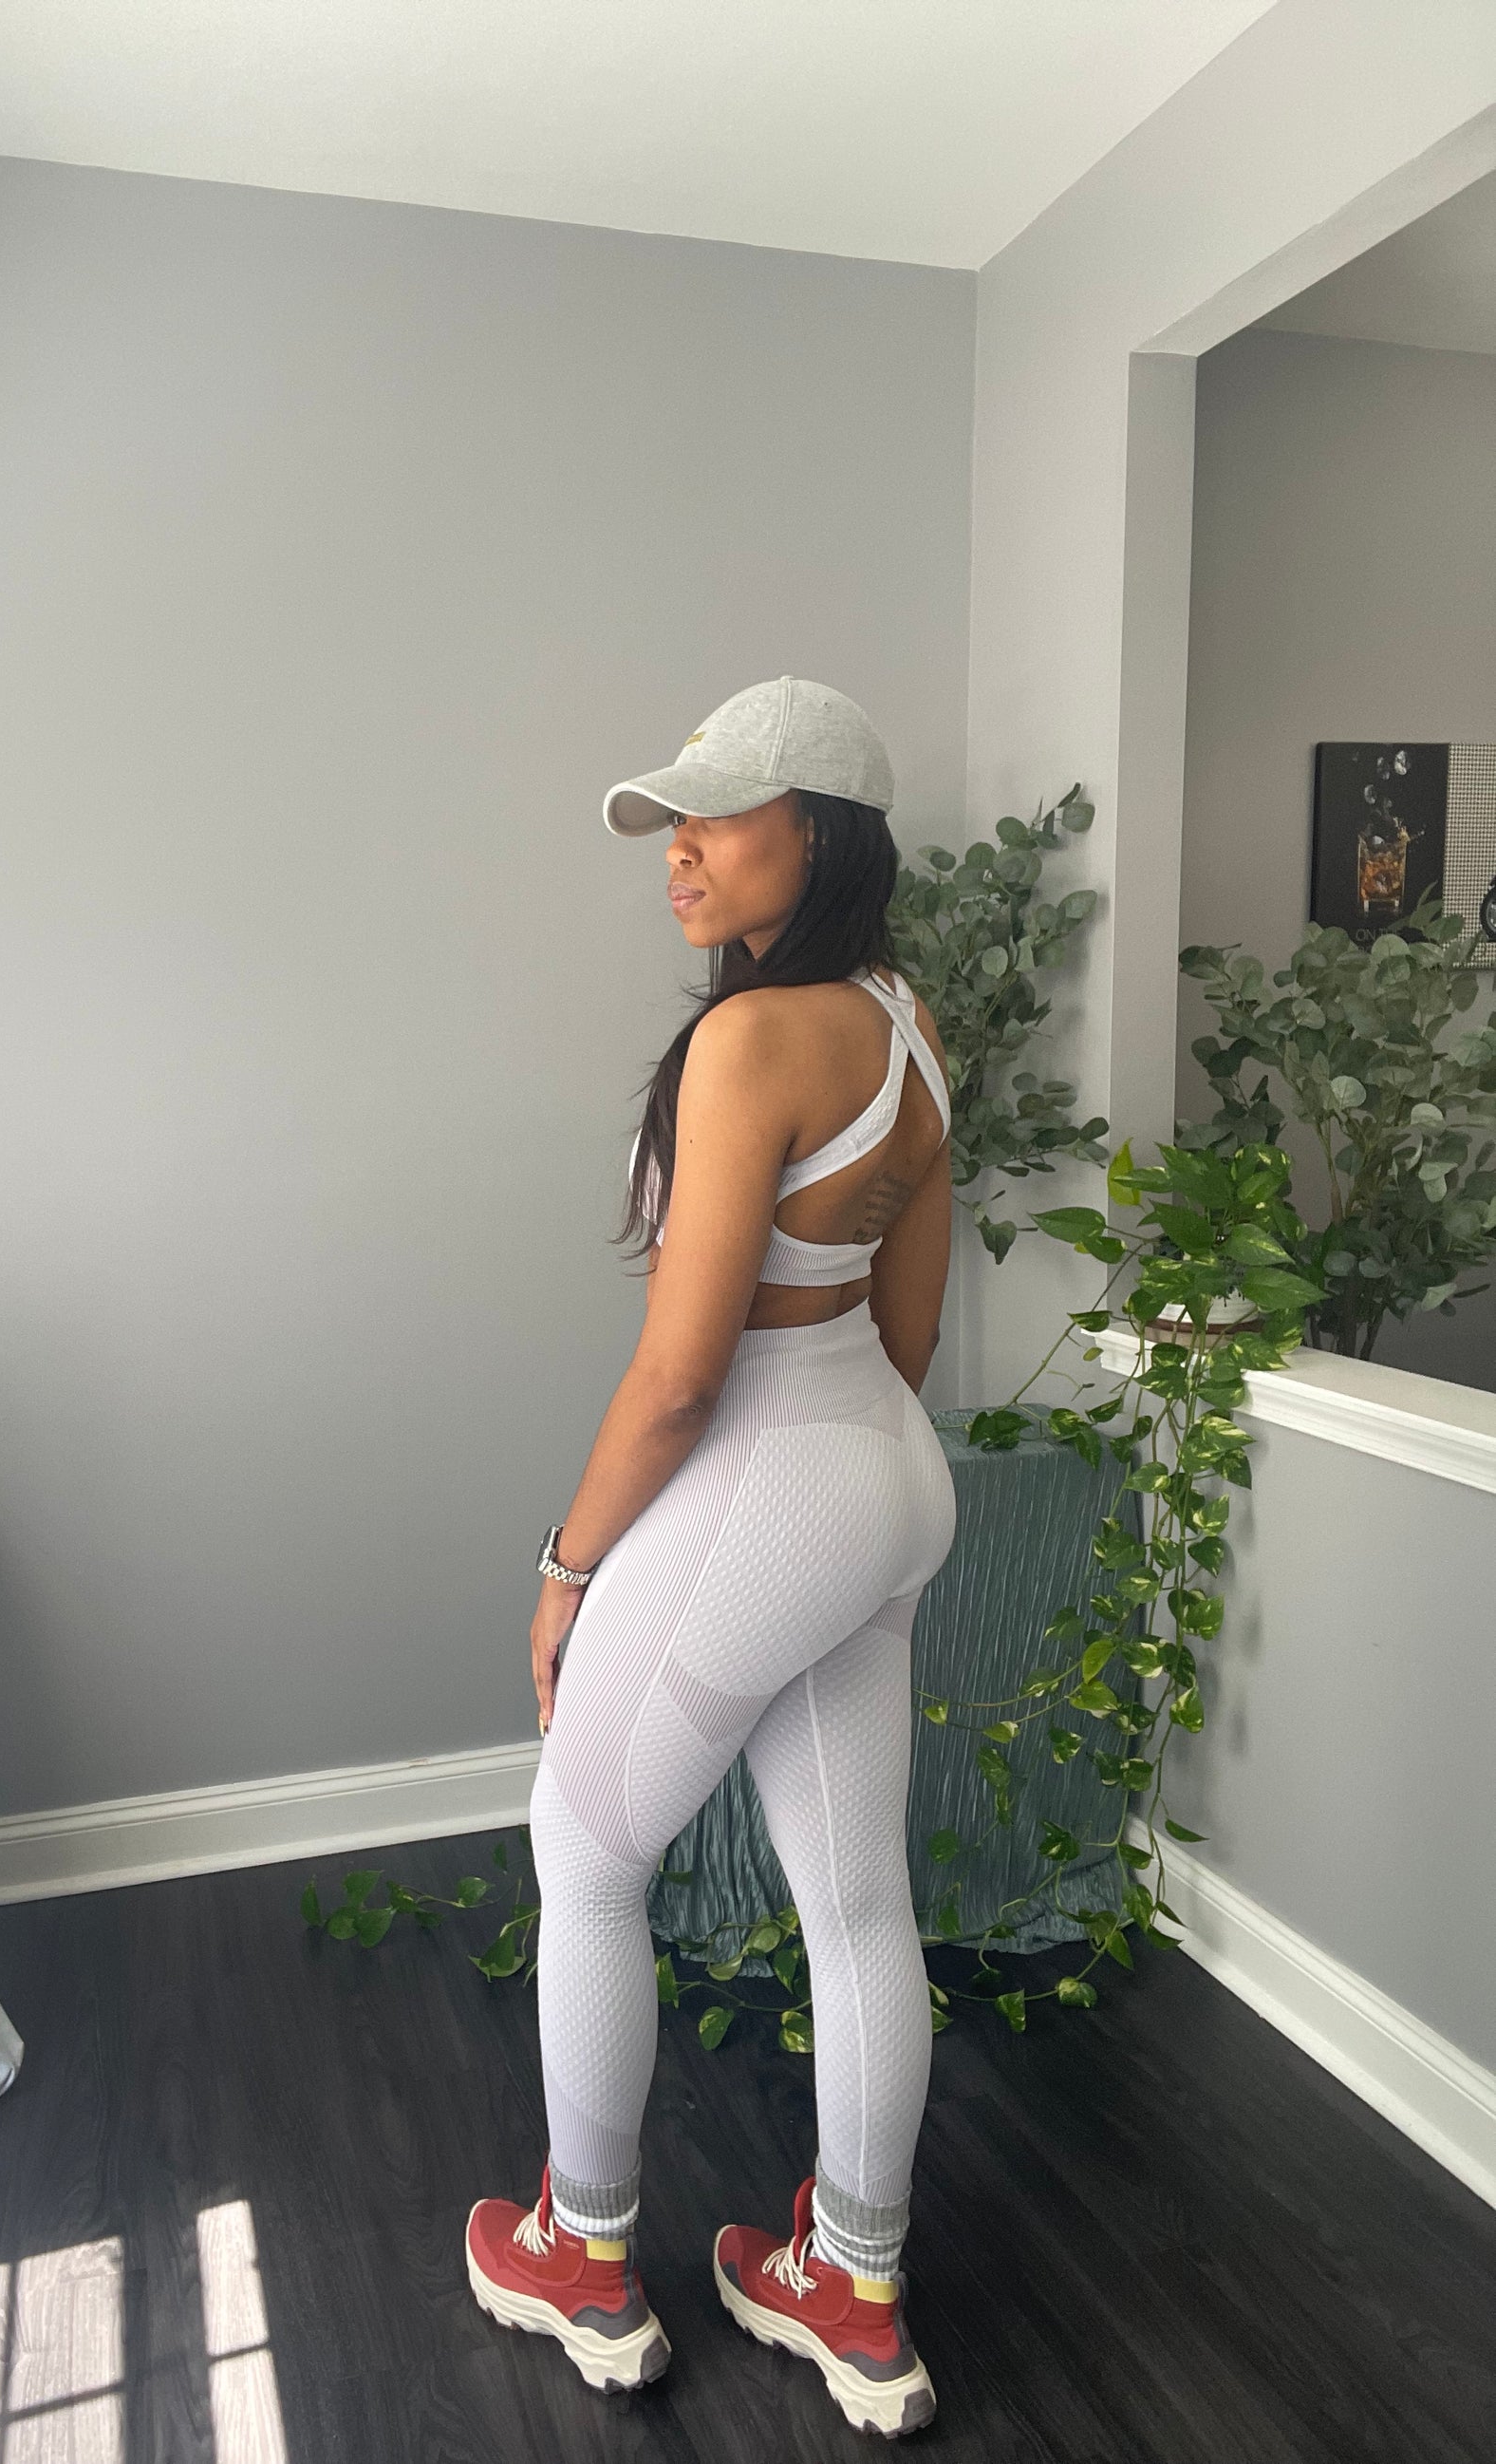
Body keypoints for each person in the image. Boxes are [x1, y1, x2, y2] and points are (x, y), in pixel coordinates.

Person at [464, 678, 958, 2438]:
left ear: (817, 837)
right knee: (859, 1900)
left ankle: (580, 2259)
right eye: (669, 823)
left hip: (770, 1476)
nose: (676, 851)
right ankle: (854, 2285)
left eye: (716, 818)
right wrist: (829, 1507)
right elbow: (908, 1329)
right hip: (883, 1474)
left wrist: (568, 1567)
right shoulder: (905, 1025)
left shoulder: (747, 1045)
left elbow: (680, 1379)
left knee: (588, 1856)